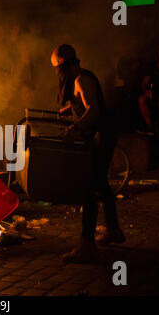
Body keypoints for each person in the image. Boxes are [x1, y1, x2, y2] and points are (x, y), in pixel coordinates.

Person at [51, 44, 125, 264]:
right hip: (102, 135)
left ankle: (87, 244)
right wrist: (69, 109)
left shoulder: (81, 80)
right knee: (101, 183)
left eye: (56, 68)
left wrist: (74, 128)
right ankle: (113, 230)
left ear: (63, 64)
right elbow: (84, 103)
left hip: (100, 136)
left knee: (89, 187)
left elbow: (94, 109)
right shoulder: (80, 80)